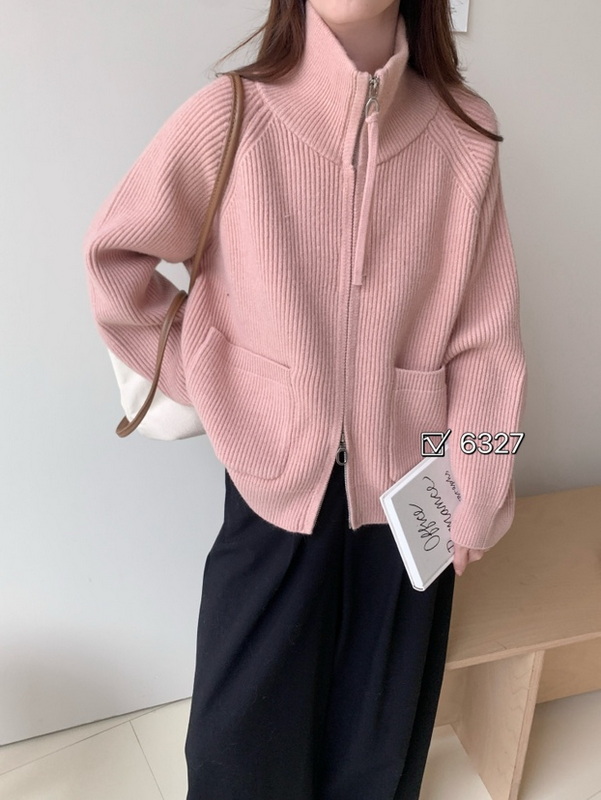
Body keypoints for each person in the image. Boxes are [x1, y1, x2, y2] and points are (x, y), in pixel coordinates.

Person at [83, 0, 527, 797]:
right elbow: (117, 263)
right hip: (270, 500)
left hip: (409, 508)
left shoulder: (465, 135)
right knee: (236, 761)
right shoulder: (230, 116)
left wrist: (481, 489)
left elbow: (488, 344)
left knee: (376, 762)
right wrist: (226, 383)